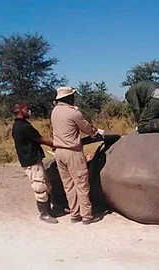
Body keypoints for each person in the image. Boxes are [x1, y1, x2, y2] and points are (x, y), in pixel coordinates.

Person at [50, 86, 102, 225]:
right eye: (72, 96)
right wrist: (95, 131)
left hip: (59, 152)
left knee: (68, 185)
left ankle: (75, 214)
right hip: (72, 152)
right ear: (68, 98)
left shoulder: (55, 111)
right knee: (82, 184)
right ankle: (87, 216)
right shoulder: (74, 113)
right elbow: (88, 130)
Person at [11, 102, 60, 224]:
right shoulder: (24, 127)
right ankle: (44, 214)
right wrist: (55, 144)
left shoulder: (18, 125)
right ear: (21, 110)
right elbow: (40, 139)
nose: (29, 111)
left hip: (33, 160)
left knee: (46, 185)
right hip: (31, 161)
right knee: (40, 187)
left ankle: (49, 210)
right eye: (27, 109)